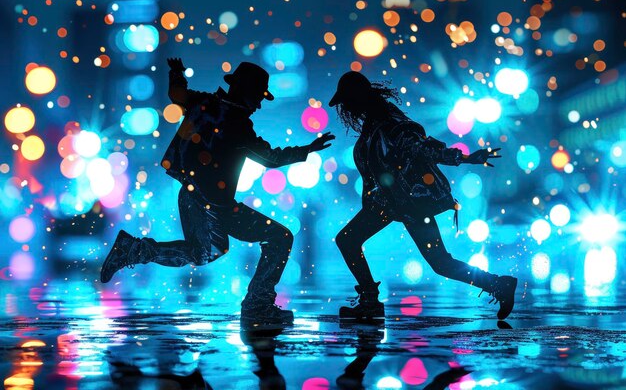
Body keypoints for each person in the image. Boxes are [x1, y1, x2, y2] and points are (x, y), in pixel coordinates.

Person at [100, 58, 334, 326]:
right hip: (211, 202)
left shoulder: (204, 103)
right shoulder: (238, 124)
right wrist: (306, 150)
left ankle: (135, 250)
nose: (258, 105)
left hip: (198, 197)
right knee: (278, 237)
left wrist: (177, 73)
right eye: (258, 96)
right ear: (244, 91)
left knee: (206, 251)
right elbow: (270, 158)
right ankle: (258, 303)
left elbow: (177, 95)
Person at [329, 71, 517, 322]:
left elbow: (425, 149)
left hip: (407, 203)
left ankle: (371, 302)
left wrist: (467, 158)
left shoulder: (389, 122)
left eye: (347, 101)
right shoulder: (375, 122)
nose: (346, 108)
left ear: (357, 98)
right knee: (350, 241)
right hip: (394, 203)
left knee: (438, 262)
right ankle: (370, 301)